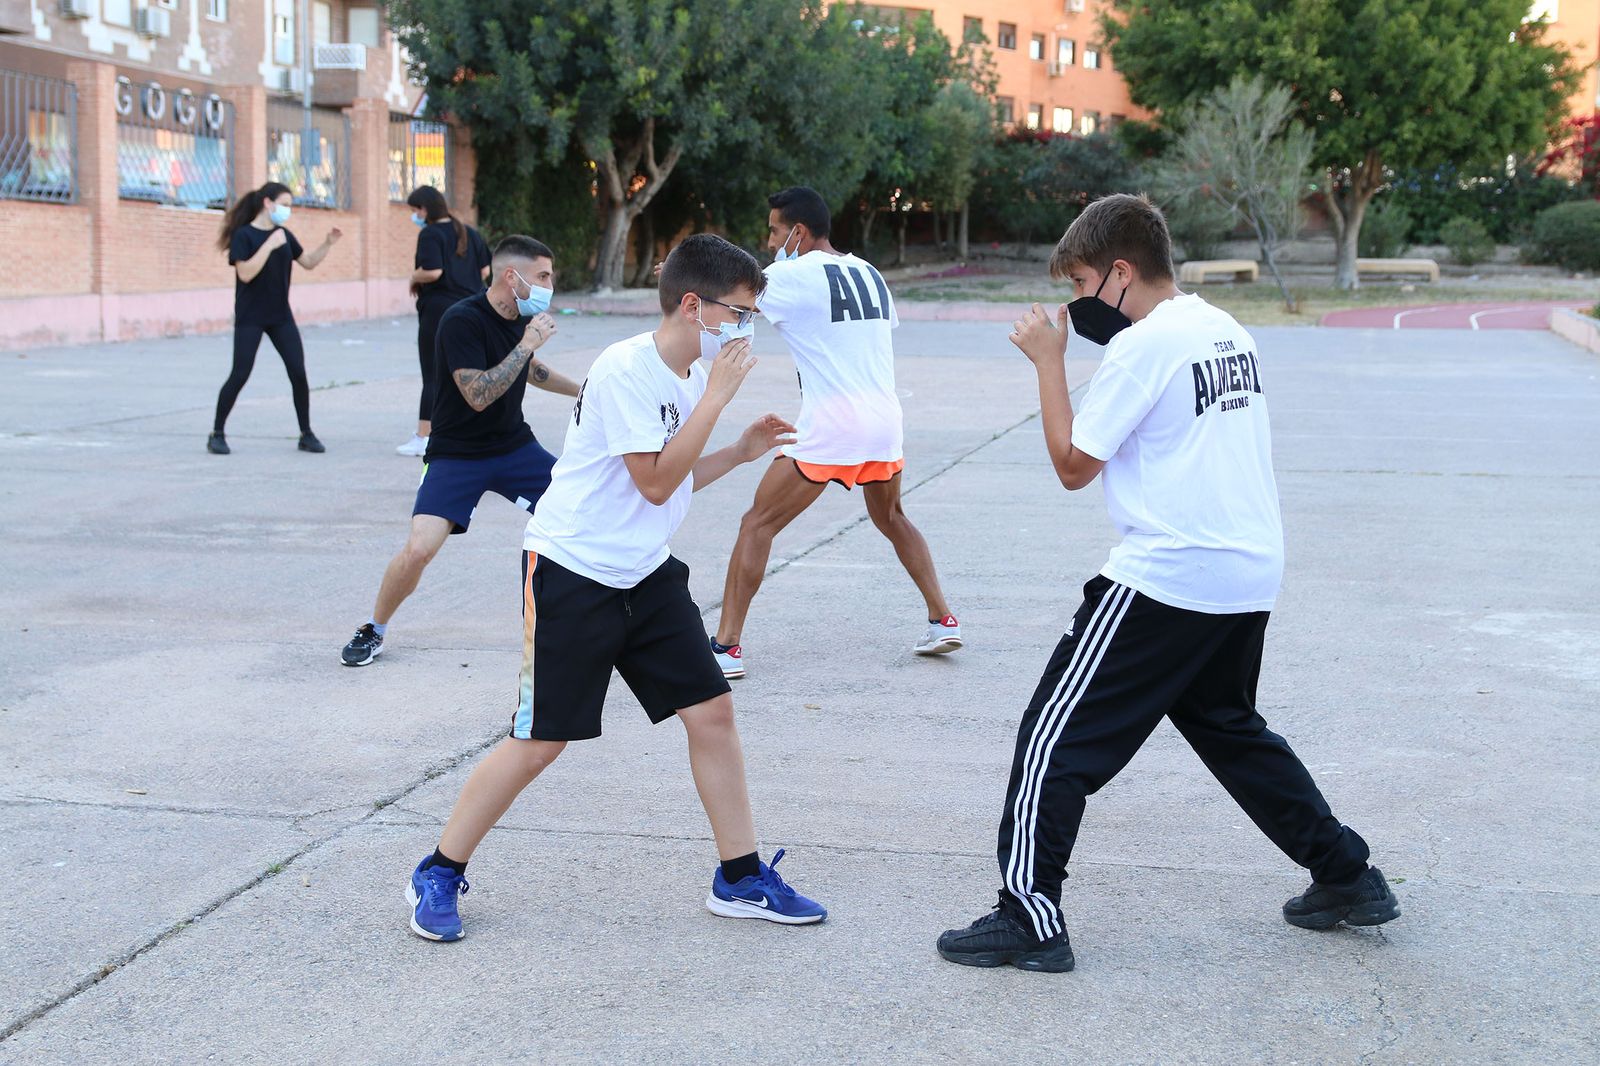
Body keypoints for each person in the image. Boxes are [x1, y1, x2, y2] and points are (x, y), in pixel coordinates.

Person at [935, 194, 1399, 974]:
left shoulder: (1145, 345)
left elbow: (1074, 467)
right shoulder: (1225, 329)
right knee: (1230, 730)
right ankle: (1347, 875)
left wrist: (1049, 363)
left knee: (1053, 740)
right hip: (1244, 573)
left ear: (1120, 272)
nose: (1078, 304)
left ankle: (1029, 916)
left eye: (1081, 283)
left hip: (1169, 574)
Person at [405, 234, 825, 942]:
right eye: (740, 312)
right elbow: (655, 478)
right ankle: (440, 869)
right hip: (573, 571)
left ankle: (741, 876)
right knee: (540, 742)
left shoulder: (691, 373)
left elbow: (674, 479)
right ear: (694, 306)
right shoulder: (630, 368)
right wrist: (718, 404)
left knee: (713, 715)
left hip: (645, 570)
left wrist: (739, 450)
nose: (746, 328)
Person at [708, 186, 960, 680]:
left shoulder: (787, 275)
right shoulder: (869, 272)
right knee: (892, 518)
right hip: (884, 419)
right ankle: (942, 619)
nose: (772, 241)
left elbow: (732, 302)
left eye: (776, 230)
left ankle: (725, 647)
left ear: (798, 232)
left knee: (757, 524)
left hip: (832, 422)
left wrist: (684, 283)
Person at [339, 235, 579, 668]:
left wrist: (584, 392)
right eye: (543, 276)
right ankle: (374, 627)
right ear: (513, 276)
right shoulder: (461, 320)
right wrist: (527, 344)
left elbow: (530, 371)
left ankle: (602, 622)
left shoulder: (519, 318)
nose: (549, 285)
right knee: (419, 550)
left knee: (585, 513)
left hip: (513, 446)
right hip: (455, 455)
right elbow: (479, 394)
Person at [209, 181, 342, 454]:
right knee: (240, 373)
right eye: (284, 204)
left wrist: (327, 244)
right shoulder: (244, 236)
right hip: (251, 316)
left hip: (280, 315)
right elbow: (245, 273)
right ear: (267, 203)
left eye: (290, 206)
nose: (287, 211)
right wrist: (269, 245)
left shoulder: (284, 234)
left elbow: (308, 262)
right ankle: (217, 433)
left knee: (298, 372)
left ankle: (306, 433)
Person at [398, 186, 492, 457]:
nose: (415, 215)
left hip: (439, 313)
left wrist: (414, 276)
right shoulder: (468, 232)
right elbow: (485, 270)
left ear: (424, 209)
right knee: (470, 373)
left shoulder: (430, 234)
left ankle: (423, 436)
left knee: (433, 375)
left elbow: (433, 271)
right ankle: (474, 432)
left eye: (415, 210)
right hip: (473, 311)